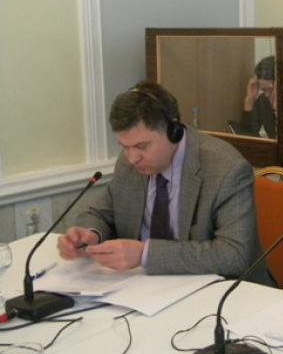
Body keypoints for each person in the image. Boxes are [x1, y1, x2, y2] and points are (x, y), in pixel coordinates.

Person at [58, 82, 272, 284]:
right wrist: (90, 234)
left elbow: (233, 255)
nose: (132, 158)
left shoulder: (226, 169)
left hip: (221, 292)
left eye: (141, 146)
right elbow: (101, 213)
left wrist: (144, 254)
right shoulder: (128, 164)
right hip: (144, 289)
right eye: (124, 147)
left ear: (173, 132)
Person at [242, 56, 276, 138]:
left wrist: (276, 110)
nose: (267, 95)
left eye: (270, 89)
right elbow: (249, 138)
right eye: (264, 90)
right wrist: (249, 100)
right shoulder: (262, 100)